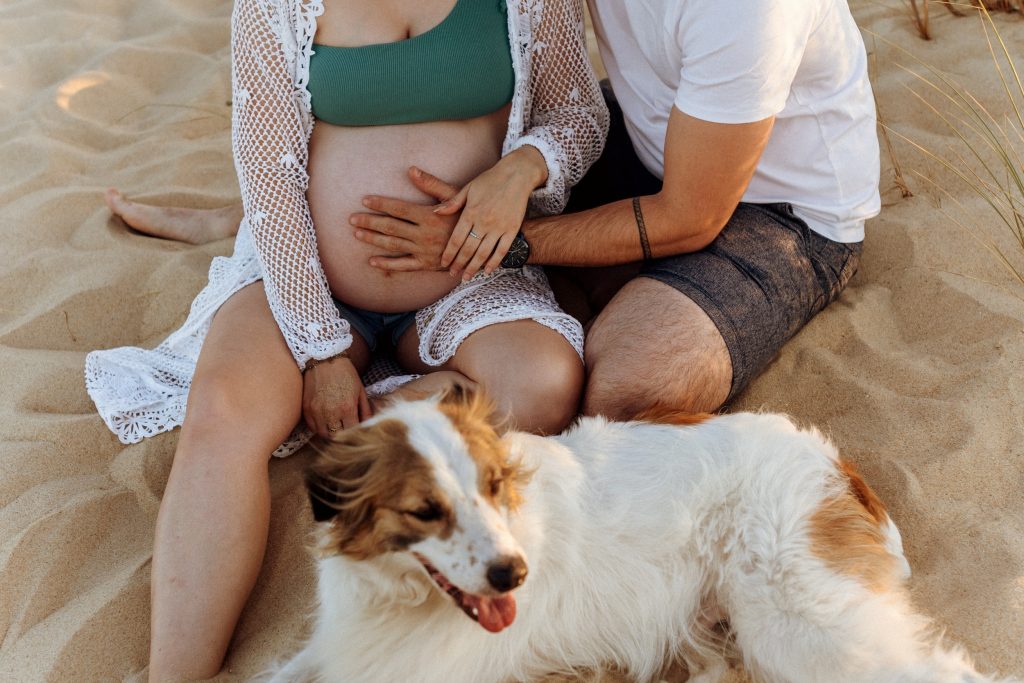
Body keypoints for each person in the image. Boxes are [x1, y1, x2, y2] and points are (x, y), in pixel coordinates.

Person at [86, 0, 607, 679]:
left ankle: (388, 414)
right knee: (223, 412)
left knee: (542, 383)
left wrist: (524, 166)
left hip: (468, 281)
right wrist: (321, 349)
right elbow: (269, 174)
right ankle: (176, 672)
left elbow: (578, 114)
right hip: (303, 274)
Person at [113, 0, 880, 424]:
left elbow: (691, 215)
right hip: (651, 137)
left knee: (623, 389)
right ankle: (249, 217)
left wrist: (497, 242)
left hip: (772, 212)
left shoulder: (750, 11)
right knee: (434, 160)